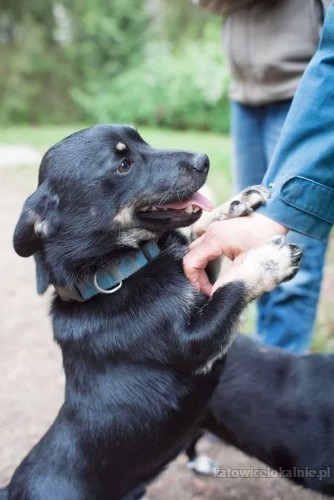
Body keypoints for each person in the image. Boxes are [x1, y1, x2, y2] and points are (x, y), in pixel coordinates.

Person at [183, 1, 334, 350]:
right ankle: (267, 351)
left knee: (293, 260)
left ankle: (280, 373)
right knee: (250, 244)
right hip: (246, 90)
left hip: (305, 85)